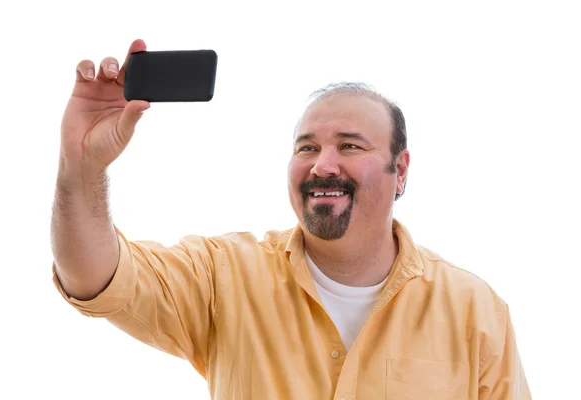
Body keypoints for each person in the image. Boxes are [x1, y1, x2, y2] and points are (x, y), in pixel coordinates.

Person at [51, 39, 532, 400]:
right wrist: (81, 167)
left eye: (349, 145)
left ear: (399, 169)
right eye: (307, 147)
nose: (323, 164)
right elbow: (94, 275)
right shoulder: (225, 276)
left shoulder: (476, 311)